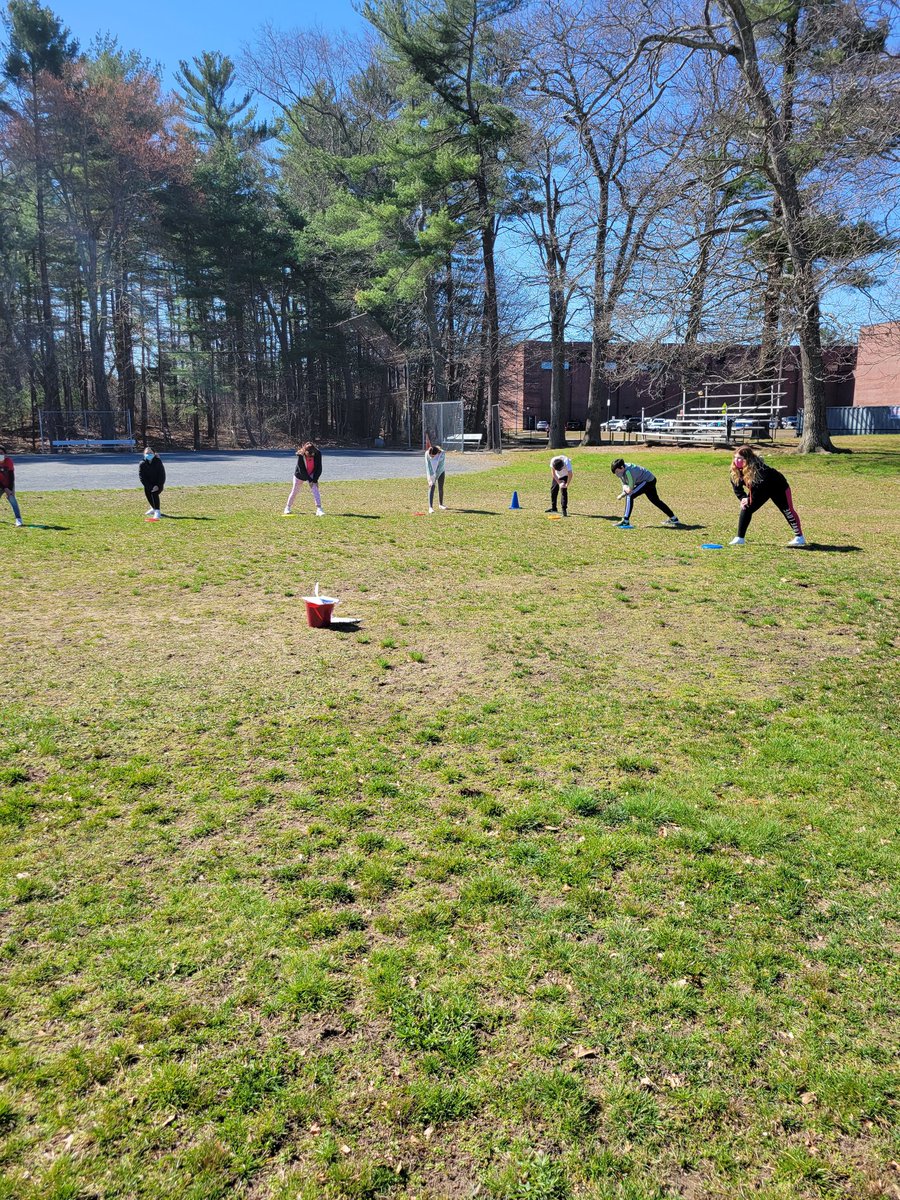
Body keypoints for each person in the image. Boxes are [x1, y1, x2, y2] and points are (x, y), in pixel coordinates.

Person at [729, 445, 806, 547]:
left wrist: (750, 499)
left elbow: (759, 488)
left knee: (787, 510)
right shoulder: (735, 470)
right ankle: (739, 538)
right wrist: (743, 498)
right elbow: (737, 487)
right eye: (735, 457)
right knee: (746, 507)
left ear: (747, 459)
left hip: (778, 487)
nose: (736, 460)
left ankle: (799, 537)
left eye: (739, 458)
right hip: (759, 490)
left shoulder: (758, 469)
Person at [610, 458, 680, 528]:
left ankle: (625, 521)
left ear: (622, 467)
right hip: (649, 480)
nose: (616, 474)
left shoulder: (629, 472)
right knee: (656, 501)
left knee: (630, 495)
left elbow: (630, 489)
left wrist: (623, 494)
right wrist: (624, 491)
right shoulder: (622, 470)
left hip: (647, 481)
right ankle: (673, 518)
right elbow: (624, 483)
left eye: (617, 472)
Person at [284, 442, 324, 516]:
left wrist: (314, 480)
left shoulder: (318, 453)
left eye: (312, 456)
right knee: (294, 491)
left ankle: (319, 509)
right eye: (309, 456)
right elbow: (301, 470)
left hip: (312, 473)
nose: (310, 457)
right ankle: (287, 507)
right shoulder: (300, 456)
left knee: (315, 489)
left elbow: (319, 468)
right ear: (305, 452)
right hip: (300, 475)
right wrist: (309, 479)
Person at [139, 447, 165, 520]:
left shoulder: (158, 462)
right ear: (144, 454)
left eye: (150, 453)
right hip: (148, 484)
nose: (149, 454)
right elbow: (142, 477)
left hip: (158, 484)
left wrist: (158, 485)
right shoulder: (142, 463)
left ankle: (157, 511)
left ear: (154, 453)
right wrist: (149, 486)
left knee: (154, 494)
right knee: (148, 495)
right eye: (147, 453)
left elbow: (162, 475)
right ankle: (153, 508)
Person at [0, 446, 24, 527]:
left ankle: (18, 519)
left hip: (9, 484)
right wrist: (5, 488)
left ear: (5, 454)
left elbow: (11, 476)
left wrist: (10, 489)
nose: (0, 455)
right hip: (0, 485)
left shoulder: (8, 461)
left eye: (1, 453)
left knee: (12, 500)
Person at [425, 444, 446, 514]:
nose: (432, 457)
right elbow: (428, 466)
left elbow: (440, 466)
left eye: (433, 456)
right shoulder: (427, 454)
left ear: (437, 453)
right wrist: (430, 479)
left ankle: (441, 504)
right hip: (431, 473)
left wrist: (436, 476)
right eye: (431, 456)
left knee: (440, 487)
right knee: (432, 487)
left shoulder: (442, 453)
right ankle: (430, 507)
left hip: (440, 471)